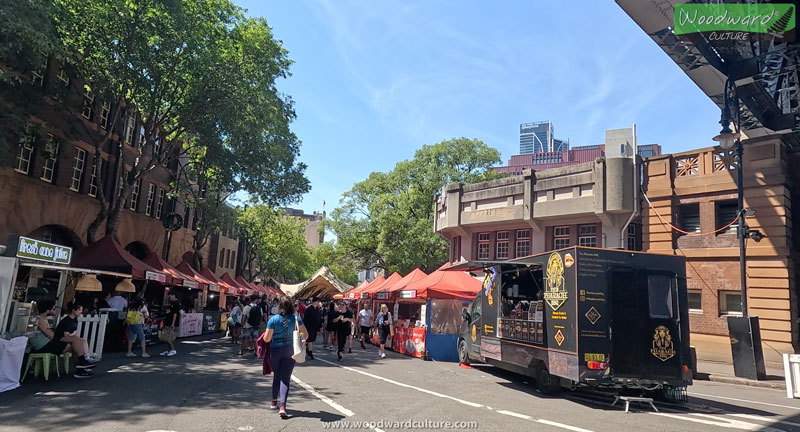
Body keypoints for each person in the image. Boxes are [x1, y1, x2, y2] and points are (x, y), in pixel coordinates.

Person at [262, 297, 307, 419]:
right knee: (285, 378)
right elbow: (305, 334)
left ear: (279, 307)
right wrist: (301, 337)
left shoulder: (273, 320)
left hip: (276, 350)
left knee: (277, 375)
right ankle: (283, 406)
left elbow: (266, 339)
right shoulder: (296, 318)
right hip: (290, 350)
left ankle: (273, 401)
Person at [36, 302, 99, 378]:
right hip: (44, 345)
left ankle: (81, 366)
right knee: (74, 343)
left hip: (49, 343)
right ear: (47, 310)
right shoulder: (40, 320)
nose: (54, 311)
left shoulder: (43, 319)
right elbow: (51, 335)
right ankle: (81, 366)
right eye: (53, 309)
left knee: (75, 343)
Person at [160, 292, 181, 357]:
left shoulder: (176, 303)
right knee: (166, 336)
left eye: (171, 296)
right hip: (168, 320)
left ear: (174, 295)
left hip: (171, 322)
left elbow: (175, 314)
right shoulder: (171, 303)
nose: (170, 297)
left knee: (169, 336)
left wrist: (173, 323)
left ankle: (173, 350)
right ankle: (169, 350)